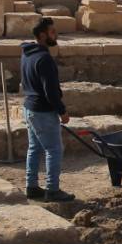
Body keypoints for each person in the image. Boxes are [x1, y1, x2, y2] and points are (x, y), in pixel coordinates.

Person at [21, 17, 74, 202]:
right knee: (54, 149)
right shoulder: (44, 59)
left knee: (34, 148)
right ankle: (52, 190)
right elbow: (50, 92)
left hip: (29, 109)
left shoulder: (27, 54)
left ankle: (32, 186)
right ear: (42, 35)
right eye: (52, 32)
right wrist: (62, 111)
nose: (56, 35)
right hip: (43, 112)